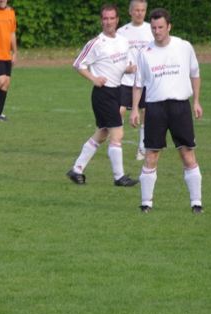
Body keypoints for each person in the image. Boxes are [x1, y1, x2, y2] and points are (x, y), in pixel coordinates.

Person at [131, 8, 204, 214]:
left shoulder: (184, 47)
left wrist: (196, 101)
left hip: (180, 107)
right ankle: (146, 203)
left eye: (161, 27)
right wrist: (135, 109)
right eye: (153, 28)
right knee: (151, 155)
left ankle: (196, 203)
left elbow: (195, 74)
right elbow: (138, 84)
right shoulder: (144, 52)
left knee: (187, 154)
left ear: (169, 26)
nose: (157, 31)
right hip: (155, 108)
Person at [66, 4, 138, 187]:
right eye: (105, 18)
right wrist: (94, 78)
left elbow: (118, 65)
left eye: (112, 18)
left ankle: (77, 170)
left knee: (102, 133)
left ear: (117, 20)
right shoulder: (96, 43)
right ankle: (119, 177)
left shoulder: (123, 41)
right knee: (117, 133)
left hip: (117, 91)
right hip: (103, 94)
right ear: (101, 21)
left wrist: (128, 69)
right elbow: (78, 64)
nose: (108, 22)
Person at [117, 0, 153, 161]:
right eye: (136, 10)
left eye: (142, 10)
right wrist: (125, 68)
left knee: (145, 112)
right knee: (120, 111)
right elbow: (116, 55)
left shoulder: (151, 29)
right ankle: (116, 143)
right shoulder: (122, 32)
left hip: (145, 80)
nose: (139, 13)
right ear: (130, 11)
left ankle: (142, 147)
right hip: (126, 79)